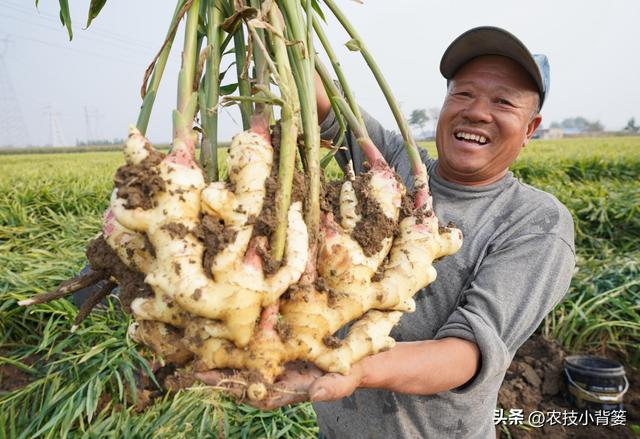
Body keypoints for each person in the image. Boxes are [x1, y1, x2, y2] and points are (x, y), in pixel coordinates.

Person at [221, 26, 575, 438]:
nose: (477, 111)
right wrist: (278, 22)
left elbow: (466, 353)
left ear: (530, 129)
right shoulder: (394, 168)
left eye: (503, 102)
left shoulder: (535, 222)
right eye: (463, 94)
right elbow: (321, 98)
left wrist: (352, 366)